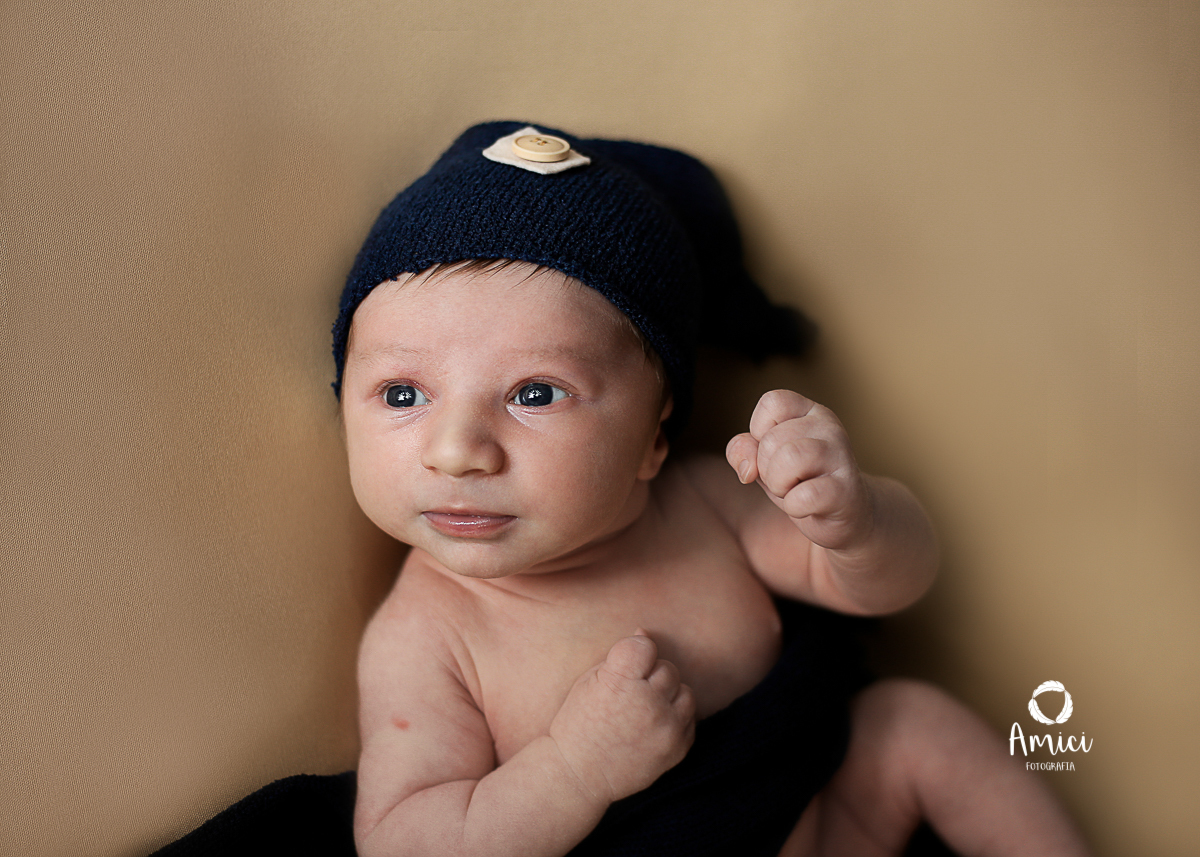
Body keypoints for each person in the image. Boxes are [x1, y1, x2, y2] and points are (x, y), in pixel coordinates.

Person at [333, 122, 1092, 857]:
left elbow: (888, 585)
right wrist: (571, 769)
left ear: (654, 435)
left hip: (828, 826)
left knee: (910, 724)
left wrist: (854, 519)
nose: (457, 449)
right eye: (402, 394)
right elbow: (407, 840)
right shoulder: (427, 633)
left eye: (535, 394)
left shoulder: (703, 506)